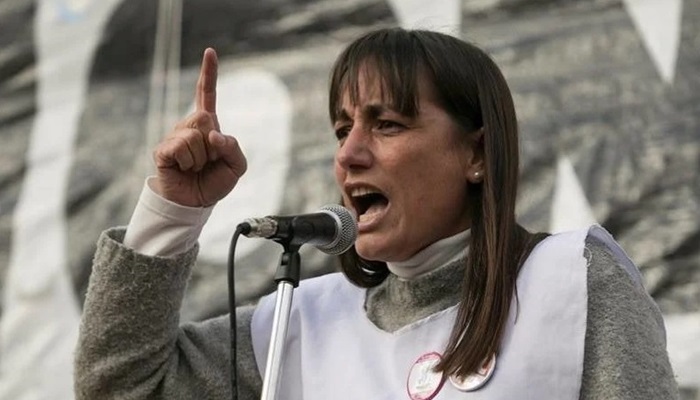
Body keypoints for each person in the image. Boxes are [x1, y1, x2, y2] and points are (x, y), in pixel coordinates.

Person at [74, 28, 679, 399]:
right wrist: (171, 212)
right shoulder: (298, 321)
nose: (349, 154)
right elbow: (120, 386)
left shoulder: (572, 279)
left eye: (386, 124)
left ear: (476, 154)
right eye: (343, 130)